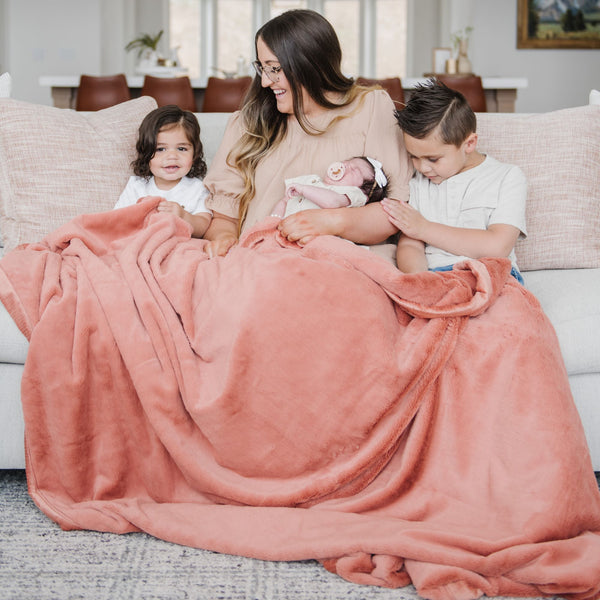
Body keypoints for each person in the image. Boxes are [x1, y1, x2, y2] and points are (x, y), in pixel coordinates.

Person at [201, 9, 412, 257]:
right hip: (255, 259)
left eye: (275, 69)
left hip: (336, 264)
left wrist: (332, 221)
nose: (266, 82)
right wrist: (224, 238)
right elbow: (225, 218)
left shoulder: (371, 108)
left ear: (310, 64)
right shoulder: (248, 122)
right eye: (262, 68)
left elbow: (393, 213)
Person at [381, 79, 527, 283]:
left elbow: (498, 246)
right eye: (413, 156)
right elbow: (410, 245)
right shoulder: (417, 183)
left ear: (469, 143)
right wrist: (419, 281)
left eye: (433, 159)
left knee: (507, 308)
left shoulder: (507, 177)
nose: (422, 168)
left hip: (492, 275)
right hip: (437, 278)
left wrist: (424, 228)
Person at [115, 105, 212, 238]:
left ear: (195, 153)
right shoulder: (136, 186)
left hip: (177, 247)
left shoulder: (198, 188)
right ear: (146, 153)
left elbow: (203, 227)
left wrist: (183, 216)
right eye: (160, 149)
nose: (172, 156)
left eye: (182, 149)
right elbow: (117, 220)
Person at [270, 156, 389, 219]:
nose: (344, 166)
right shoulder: (311, 180)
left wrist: (303, 189)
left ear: (364, 192)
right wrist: (275, 219)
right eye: (346, 162)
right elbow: (285, 201)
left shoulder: (352, 194)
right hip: (286, 230)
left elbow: (332, 202)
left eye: (353, 170)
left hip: (314, 236)